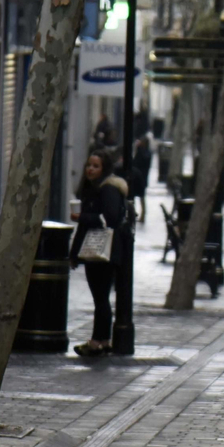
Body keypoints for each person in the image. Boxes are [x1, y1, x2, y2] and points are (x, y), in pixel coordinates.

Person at [70, 150, 129, 357]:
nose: (90, 169)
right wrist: (74, 253)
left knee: (100, 298)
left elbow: (109, 218)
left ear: (104, 169)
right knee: (100, 298)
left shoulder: (107, 190)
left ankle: (96, 341)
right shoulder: (92, 189)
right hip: (96, 251)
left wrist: (83, 217)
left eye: (95, 166)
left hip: (105, 251)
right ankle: (103, 340)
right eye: (89, 165)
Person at [130, 134, 153, 224]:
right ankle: (135, 213)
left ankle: (143, 214)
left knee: (142, 197)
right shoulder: (143, 152)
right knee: (136, 196)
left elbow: (140, 161)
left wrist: (139, 149)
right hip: (138, 177)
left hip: (142, 177)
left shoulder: (145, 153)